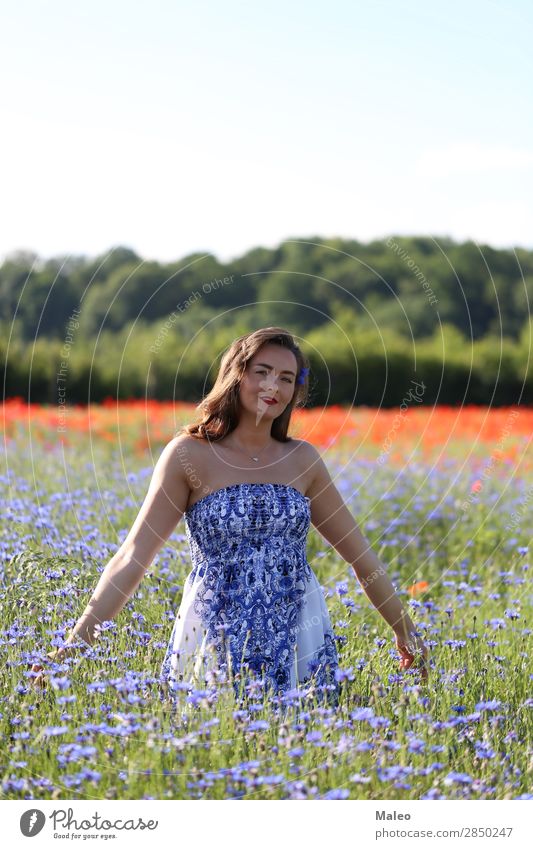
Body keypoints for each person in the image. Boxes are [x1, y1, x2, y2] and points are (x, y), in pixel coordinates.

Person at [31, 326, 429, 704]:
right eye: (262, 372)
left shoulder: (303, 460)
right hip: (214, 633)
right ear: (236, 376)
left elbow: (361, 557)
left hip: (298, 634)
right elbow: (134, 556)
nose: (273, 386)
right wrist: (72, 646)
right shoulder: (189, 454)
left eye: (287, 378)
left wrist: (404, 630)